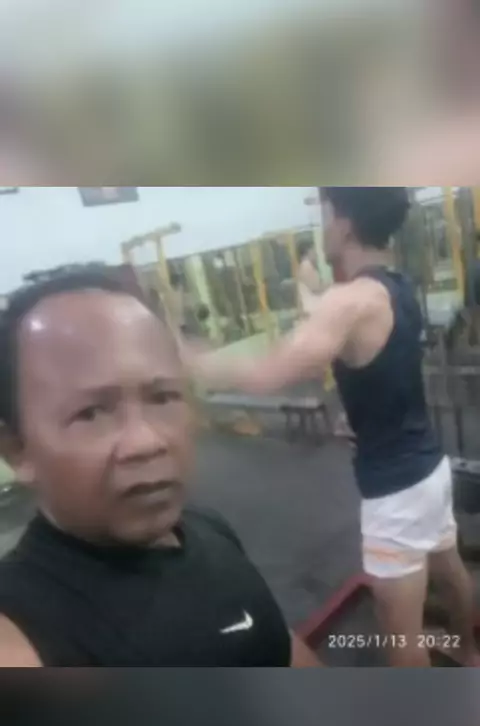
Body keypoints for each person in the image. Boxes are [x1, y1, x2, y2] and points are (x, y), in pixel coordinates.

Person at [193, 187, 478, 667]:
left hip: (395, 494)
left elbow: (269, 373)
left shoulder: (349, 301)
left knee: (400, 633)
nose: (321, 228)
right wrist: (361, 415)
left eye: (325, 216)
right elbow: (384, 366)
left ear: (343, 226)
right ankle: (469, 654)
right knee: (450, 571)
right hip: (430, 470)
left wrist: (187, 360)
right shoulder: (395, 285)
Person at [0, 269, 319, 667]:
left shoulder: (207, 528)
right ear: (17, 450)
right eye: (91, 412)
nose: (146, 441)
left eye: (163, 397)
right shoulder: (19, 632)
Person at [296, 239, 327, 317]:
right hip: (311, 309)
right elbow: (316, 288)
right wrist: (332, 286)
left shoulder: (307, 266)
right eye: (313, 251)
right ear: (308, 252)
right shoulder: (306, 266)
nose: (316, 254)